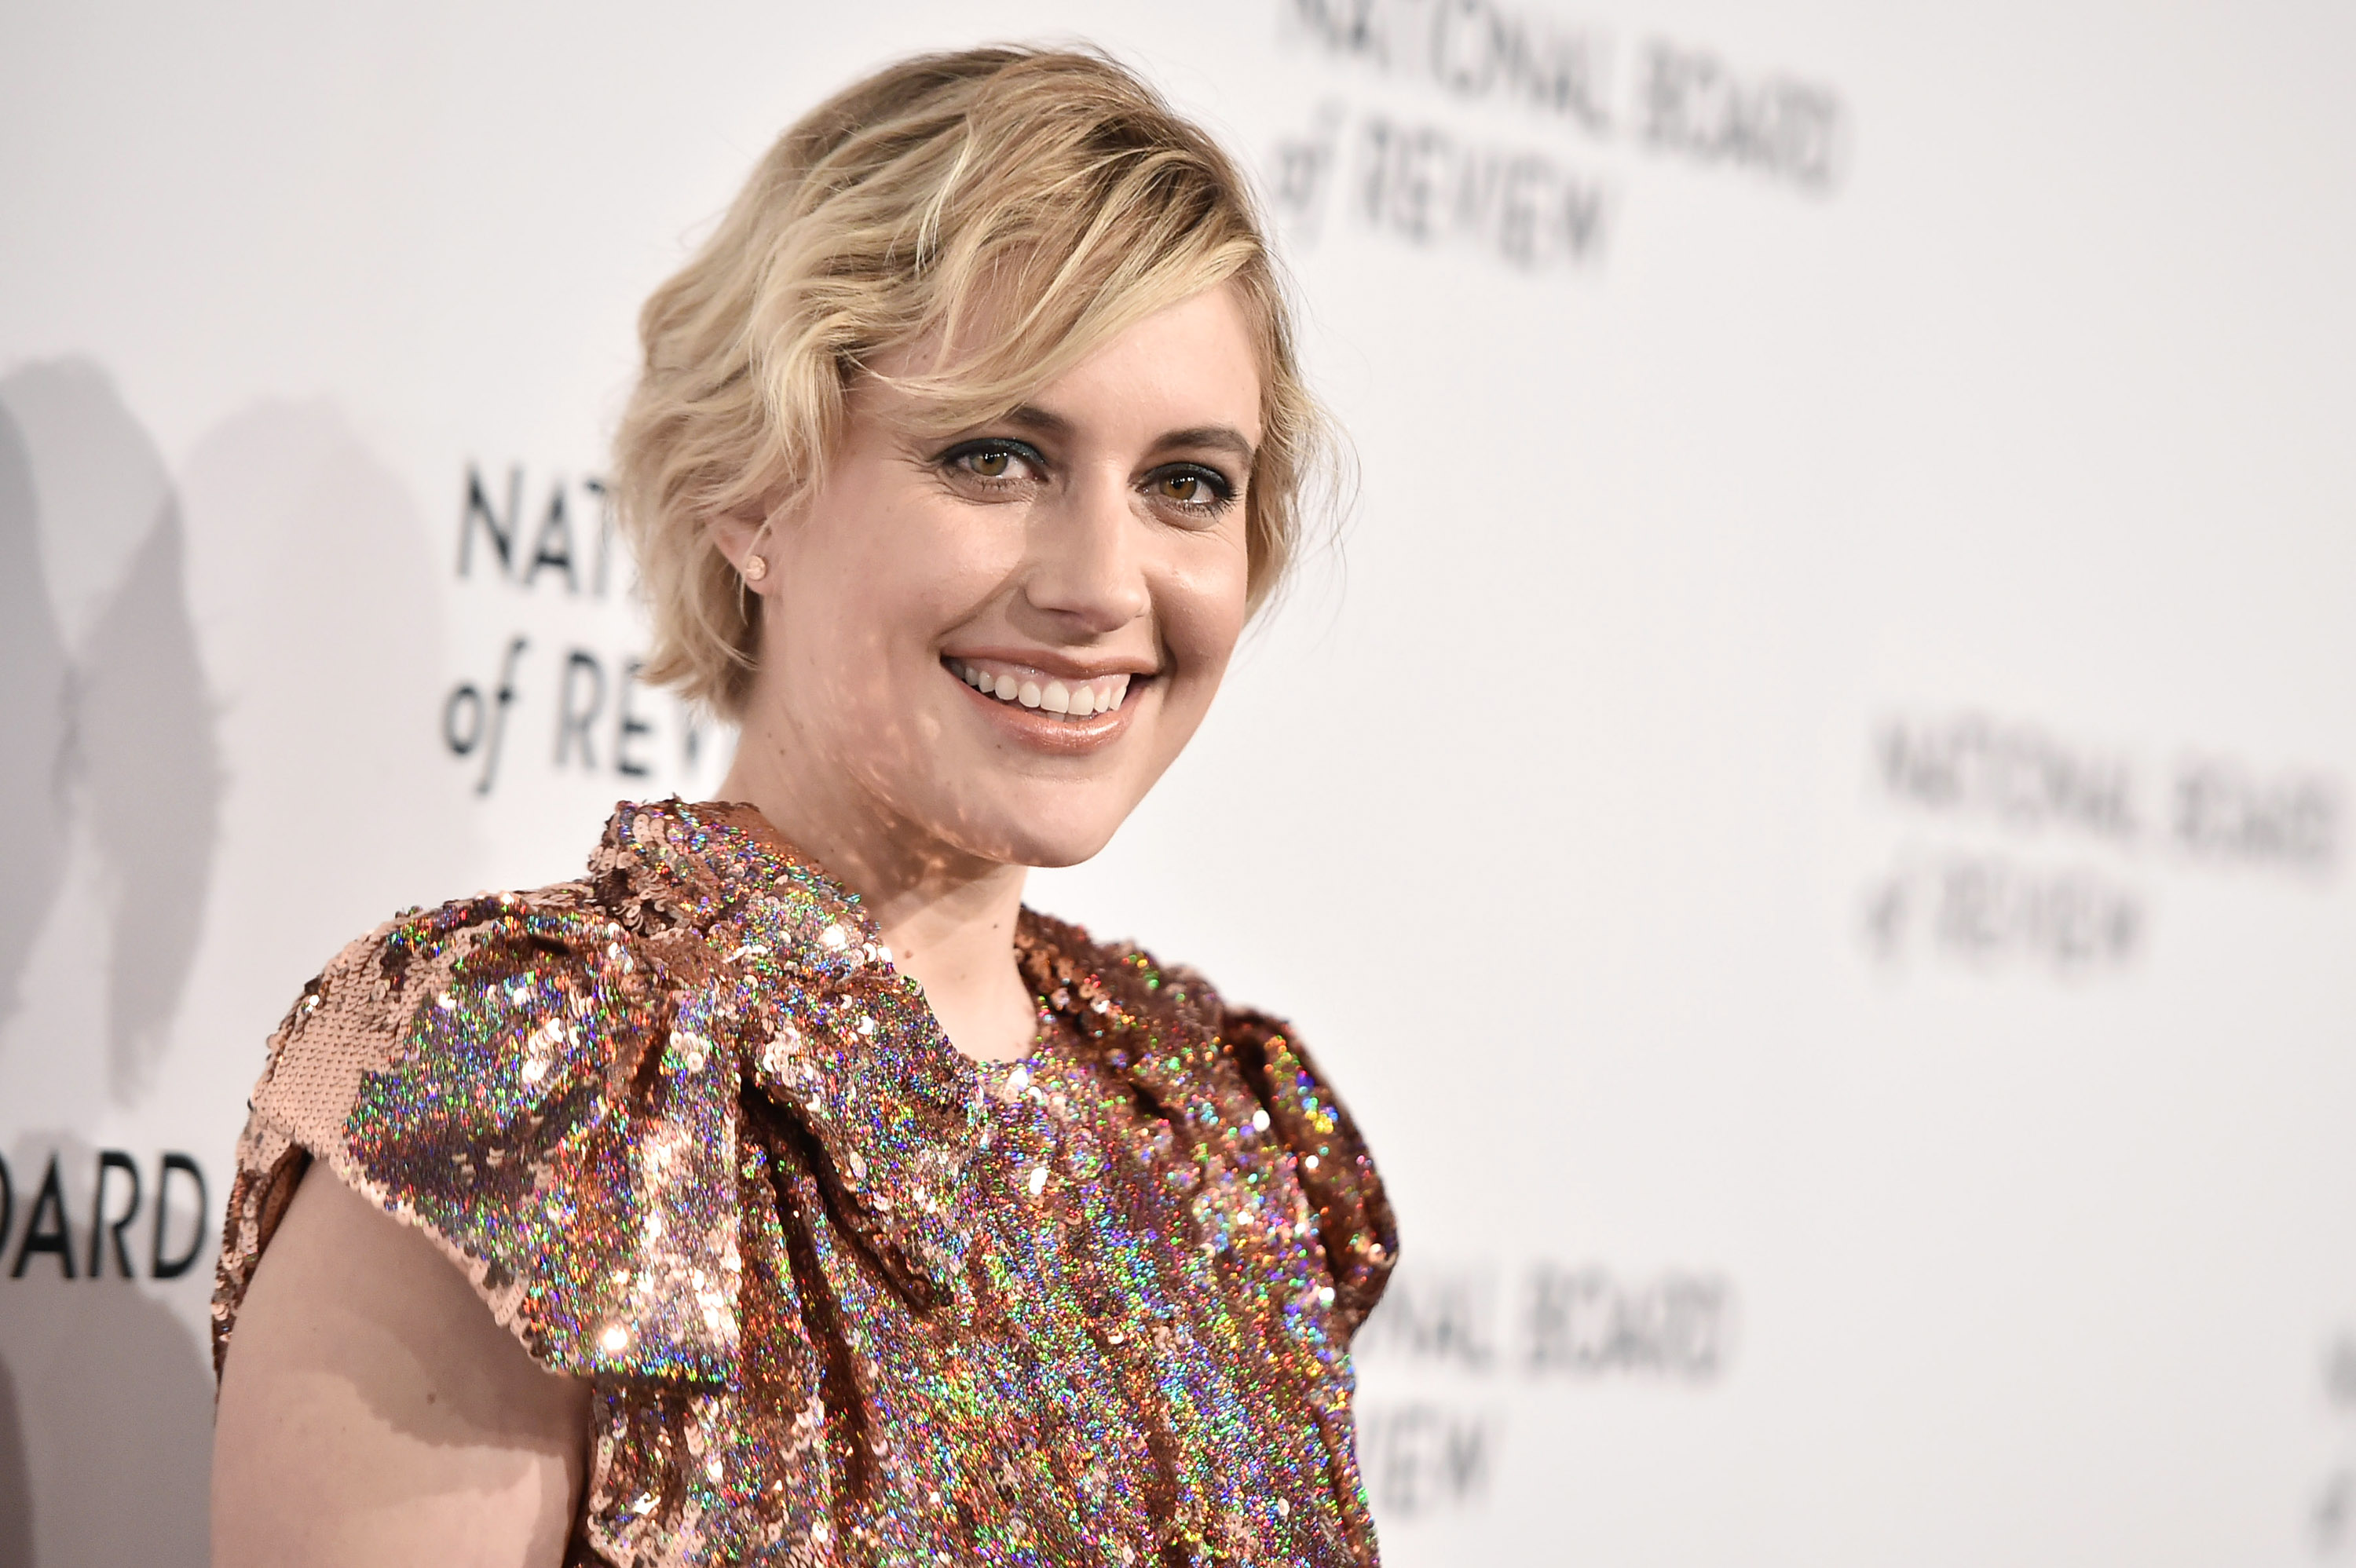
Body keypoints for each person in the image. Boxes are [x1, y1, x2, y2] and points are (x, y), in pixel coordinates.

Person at [207, 44, 1396, 1568]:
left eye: (1188, 484)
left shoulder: (1219, 1139)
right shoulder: (537, 1102)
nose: (1104, 584)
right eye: (996, 455)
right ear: (753, 488)